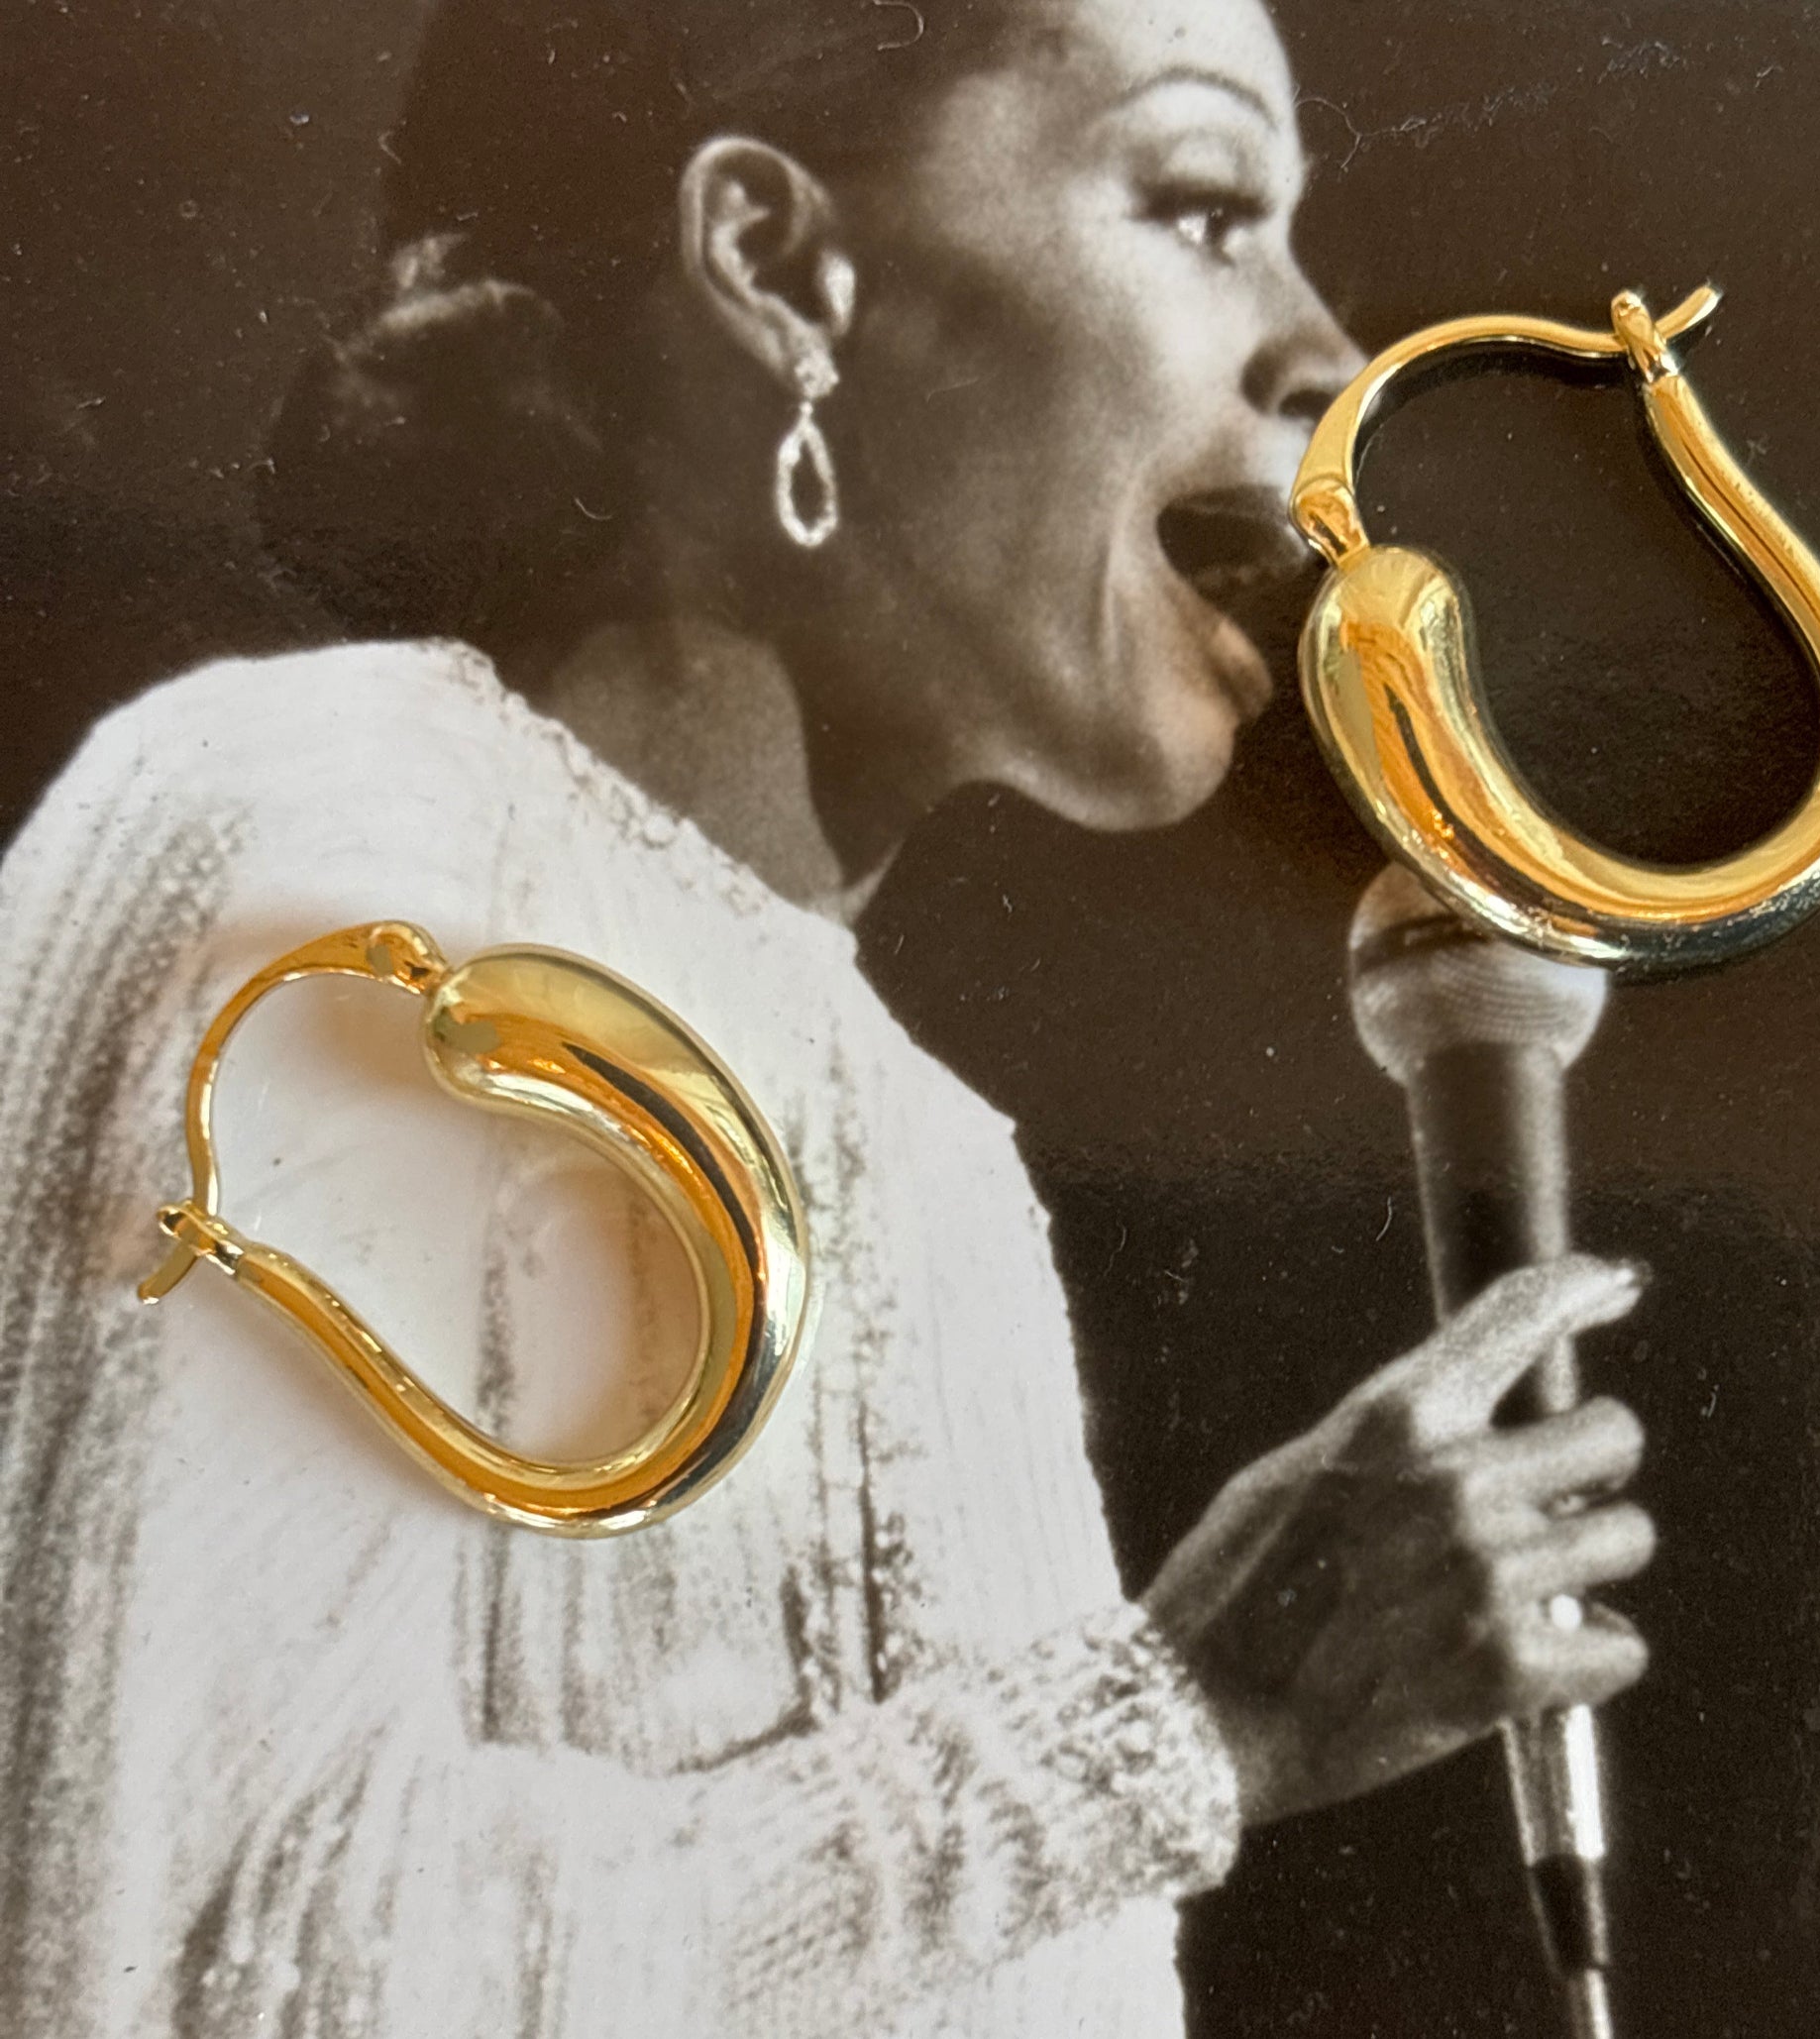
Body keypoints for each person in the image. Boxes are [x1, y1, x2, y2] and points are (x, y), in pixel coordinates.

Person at [0, 0, 1657, 2033]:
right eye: (1207, 205)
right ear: (779, 268)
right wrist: (1180, 1721)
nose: (1330, 357)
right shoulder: (321, 823)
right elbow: (173, 1956)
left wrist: (1167, 1741)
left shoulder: (947, 1170)